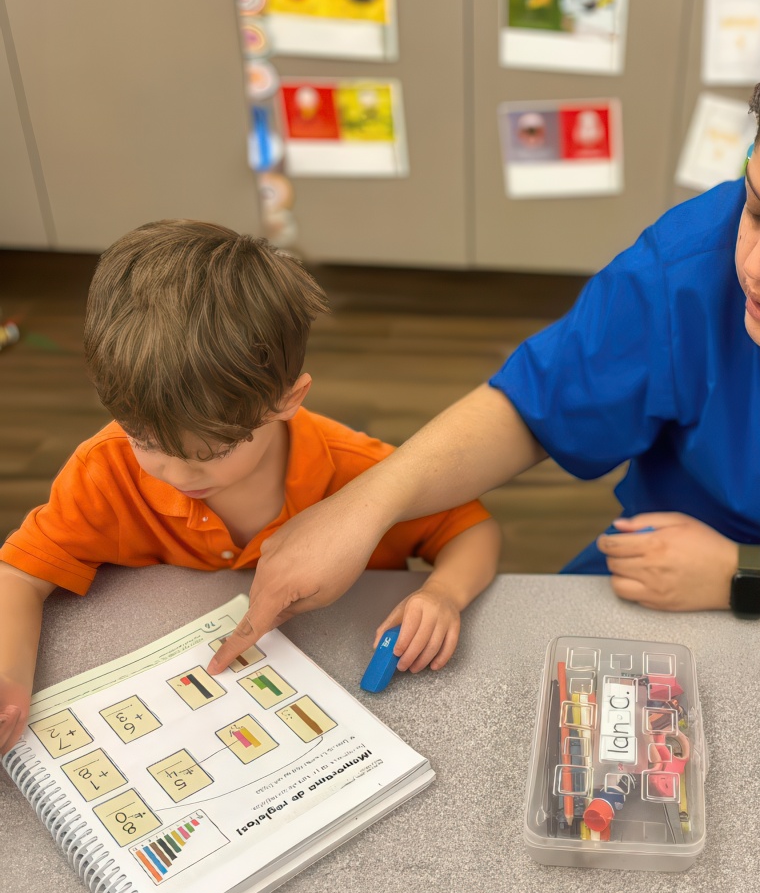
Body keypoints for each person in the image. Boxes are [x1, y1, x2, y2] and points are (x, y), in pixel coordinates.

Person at [208, 0, 760, 672]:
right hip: (660, 594)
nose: (755, 265)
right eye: (757, 207)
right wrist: (363, 507)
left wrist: (745, 576)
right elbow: (535, 408)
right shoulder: (690, 266)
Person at [0, 221, 501, 753]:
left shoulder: (356, 471)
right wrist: (8, 680)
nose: (175, 475)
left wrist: (444, 592)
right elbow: (20, 576)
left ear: (288, 399)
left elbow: (471, 529)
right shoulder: (106, 470)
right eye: (144, 440)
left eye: (211, 453)